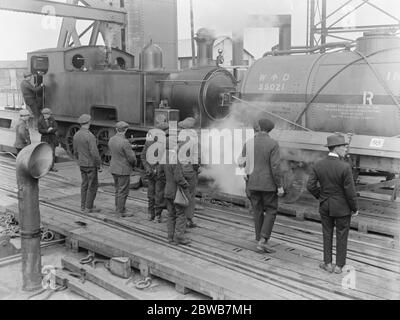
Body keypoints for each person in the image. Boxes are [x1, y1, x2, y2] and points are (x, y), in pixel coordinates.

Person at [307, 134, 359, 274]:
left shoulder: (318, 164)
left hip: (325, 205)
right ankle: (339, 266)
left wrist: (322, 197)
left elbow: (310, 186)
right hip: (342, 208)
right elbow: (350, 191)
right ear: (336, 148)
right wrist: (354, 208)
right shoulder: (345, 167)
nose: (345, 149)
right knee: (342, 235)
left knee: (327, 233)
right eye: (343, 146)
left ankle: (328, 264)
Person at [240, 118, 284, 254]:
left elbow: (241, 162)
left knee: (257, 210)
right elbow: (275, 167)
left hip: (252, 183)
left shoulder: (249, 142)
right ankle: (263, 240)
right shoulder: (273, 144)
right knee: (271, 210)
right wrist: (280, 185)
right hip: (268, 184)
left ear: (259, 127)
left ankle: (259, 237)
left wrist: (245, 174)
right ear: (270, 129)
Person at [160, 145, 191, 245]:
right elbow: (178, 177)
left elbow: (160, 175)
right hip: (176, 191)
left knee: (170, 214)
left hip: (168, 190)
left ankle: (170, 237)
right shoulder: (174, 159)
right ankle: (179, 237)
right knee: (181, 214)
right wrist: (185, 184)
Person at [73, 114, 102, 213]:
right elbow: (94, 153)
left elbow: (75, 151)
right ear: (89, 122)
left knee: (84, 184)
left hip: (82, 163)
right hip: (90, 164)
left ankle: (83, 206)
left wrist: (78, 160)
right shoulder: (90, 136)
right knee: (92, 185)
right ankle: (88, 207)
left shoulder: (76, 135)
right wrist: (99, 165)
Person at [108, 121, 137, 217]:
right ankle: (120, 211)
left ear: (116, 129)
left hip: (114, 168)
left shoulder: (111, 139)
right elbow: (131, 158)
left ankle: (118, 207)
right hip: (123, 170)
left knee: (117, 189)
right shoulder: (125, 142)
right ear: (126, 130)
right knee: (123, 191)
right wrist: (134, 164)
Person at [141, 122, 168, 222]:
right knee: (158, 194)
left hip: (153, 171)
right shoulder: (165, 143)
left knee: (153, 193)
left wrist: (148, 168)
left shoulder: (148, 142)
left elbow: (143, 157)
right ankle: (156, 215)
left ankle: (152, 214)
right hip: (158, 173)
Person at [177, 117, 199, 228]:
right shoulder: (194, 136)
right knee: (190, 194)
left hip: (179, 167)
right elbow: (195, 155)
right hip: (189, 167)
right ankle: (188, 219)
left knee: (180, 192)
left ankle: (179, 217)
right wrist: (196, 168)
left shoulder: (180, 135)